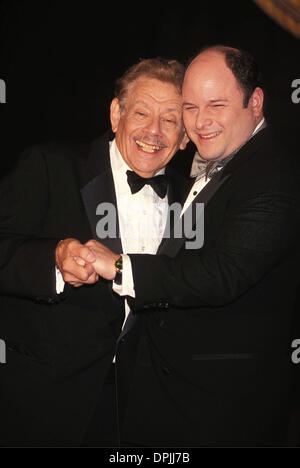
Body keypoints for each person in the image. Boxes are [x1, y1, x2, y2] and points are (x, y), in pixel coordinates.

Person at [88, 45, 300, 446]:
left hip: (221, 415)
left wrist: (120, 267)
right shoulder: (218, 162)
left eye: (216, 105)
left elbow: (221, 274)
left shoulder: (274, 178)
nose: (200, 122)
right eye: (189, 108)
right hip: (165, 402)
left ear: (255, 102)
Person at [0, 57, 189, 446]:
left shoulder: (194, 200)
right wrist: (53, 257)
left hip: (135, 412)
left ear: (185, 135)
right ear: (116, 113)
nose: (154, 131)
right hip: (41, 402)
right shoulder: (50, 165)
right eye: (141, 112)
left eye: (170, 120)